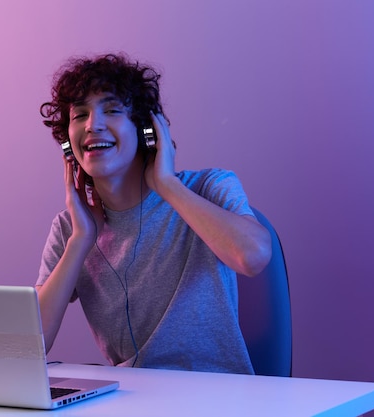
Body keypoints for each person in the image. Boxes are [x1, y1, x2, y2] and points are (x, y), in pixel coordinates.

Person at [36, 53, 272, 374]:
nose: (93, 125)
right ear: (68, 144)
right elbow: (30, 343)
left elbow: (253, 256)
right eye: (80, 114)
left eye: (112, 110)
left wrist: (167, 185)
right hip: (132, 401)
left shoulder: (209, 187)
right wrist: (81, 240)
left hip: (217, 397)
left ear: (148, 131)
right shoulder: (70, 228)